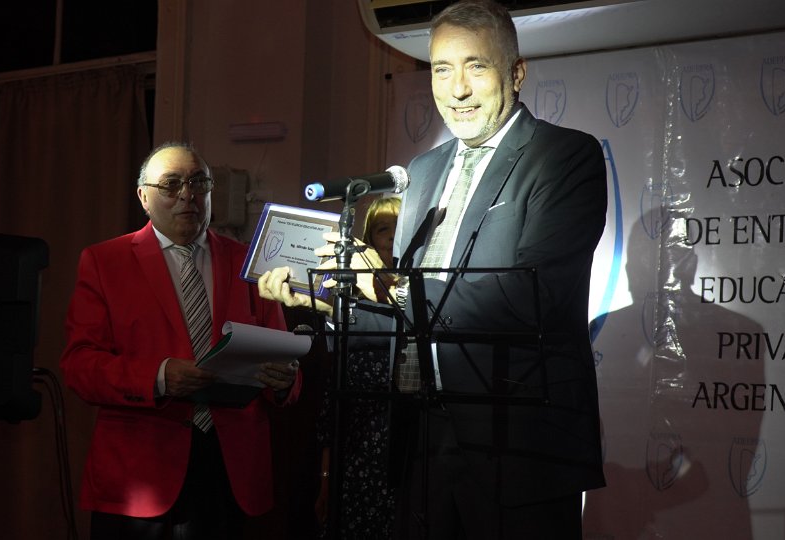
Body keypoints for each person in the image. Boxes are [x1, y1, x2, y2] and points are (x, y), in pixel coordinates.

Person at [258, 1, 607, 538]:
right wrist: (332, 302)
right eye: (442, 69)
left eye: (476, 66)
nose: (457, 89)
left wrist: (390, 284)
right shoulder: (423, 170)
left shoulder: (564, 157)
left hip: (517, 447)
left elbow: (530, 298)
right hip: (421, 441)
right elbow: (411, 323)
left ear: (516, 73)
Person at [60, 142, 302, 540]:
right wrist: (158, 376)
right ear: (144, 197)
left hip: (231, 470)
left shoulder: (249, 261)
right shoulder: (105, 262)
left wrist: (284, 380)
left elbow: (283, 359)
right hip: (141, 473)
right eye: (171, 184)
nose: (187, 195)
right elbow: (80, 365)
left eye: (198, 182)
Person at [313, 196, 400, 539]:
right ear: (369, 240)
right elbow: (331, 409)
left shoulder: (427, 299)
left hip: (405, 457)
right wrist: (325, 478)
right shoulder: (347, 300)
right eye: (383, 229)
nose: (391, 237)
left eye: (399, 228)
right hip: (355, 458)